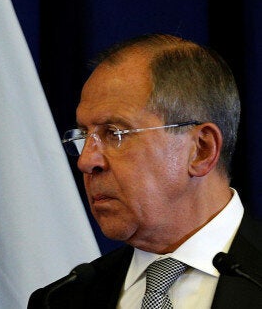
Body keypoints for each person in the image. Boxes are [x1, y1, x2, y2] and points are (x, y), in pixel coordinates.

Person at [29, 34, 262, 308]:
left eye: (114, 133)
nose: (86, 161)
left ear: (201, 150)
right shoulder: (60, 299)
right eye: (83, 135)